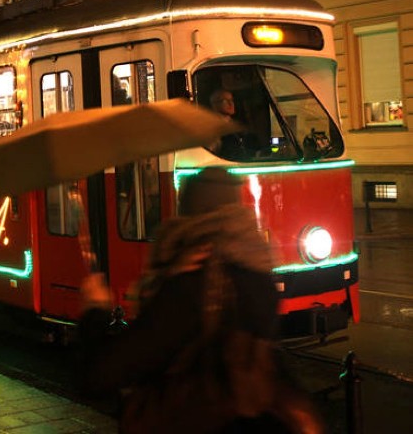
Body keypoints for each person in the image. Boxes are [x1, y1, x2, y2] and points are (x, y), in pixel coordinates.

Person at [77, 168, 324, 433]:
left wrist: (95, 311)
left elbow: (99, 376)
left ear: (188, 213)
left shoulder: (190, 283)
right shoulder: (259, 271)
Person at [208, 88, 257, 159]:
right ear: (214, 104)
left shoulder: (236, 125)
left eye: (232, 100)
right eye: (225, 101)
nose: (231, 104)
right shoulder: (212, 127)